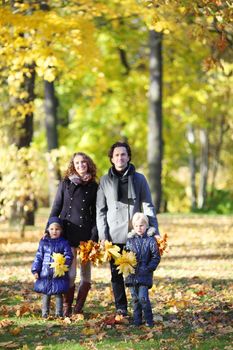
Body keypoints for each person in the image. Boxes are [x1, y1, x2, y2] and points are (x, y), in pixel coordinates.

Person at [96, 141, 160, 316]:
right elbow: (100, 211)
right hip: (113, 235)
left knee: (138, 274)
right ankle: (121, 308)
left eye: (123, 154)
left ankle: (139, 307)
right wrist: (103, 236)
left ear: (128, 157)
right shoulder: (105, 180)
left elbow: (148, 205)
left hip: (136, 235)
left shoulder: (139, 179)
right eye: (116, 155)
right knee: (116, 275)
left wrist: (153, 230)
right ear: (111, 158)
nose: (120, 158)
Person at [48, 152, 98, 316]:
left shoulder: (94, 186)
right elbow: (56, 206)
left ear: (88, 163)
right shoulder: (66, 183)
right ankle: (67, 307)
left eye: (83, 162)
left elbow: (96, 213)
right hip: (67, 234)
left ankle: (78, 308)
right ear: (73, 166)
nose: (80, 165)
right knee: (70, 275)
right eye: (77, 163)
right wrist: (48, 229)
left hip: (86, 236)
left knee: (86, 277)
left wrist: (94, 237)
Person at [31, 217, 73, 318]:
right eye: (52, 229)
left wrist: (64, 263)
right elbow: (39, 257)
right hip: (45, 273)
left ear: (61, 230)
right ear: (48, 230)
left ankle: (59, 313)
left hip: (58, 273)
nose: (54, 231)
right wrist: (35, 270)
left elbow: (69, 255)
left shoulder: (64, 243)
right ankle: (45, 313)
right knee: (46, 294)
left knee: (58, 293)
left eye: (57, 229)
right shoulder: (43, 242)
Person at [125, 212, 161, 326]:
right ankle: (137, 321)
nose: (139, 228)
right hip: (132, 274)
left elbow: (156, 256)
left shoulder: (150, 240)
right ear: (133, 226)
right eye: (136, 226)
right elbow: (125, 256)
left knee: (143, 298)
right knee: (135, 299)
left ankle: (149, 321)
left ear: (146, 226)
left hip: (145, 273)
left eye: (141, 225)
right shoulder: (130, 241)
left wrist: (149, 268)